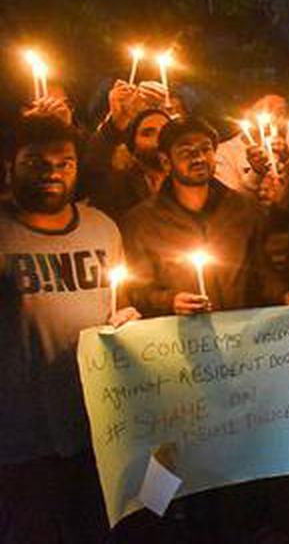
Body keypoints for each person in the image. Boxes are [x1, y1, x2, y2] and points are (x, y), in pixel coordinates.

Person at [1, 116, 139, 542]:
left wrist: (126, 323)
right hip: (20, 432)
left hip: (95, 425)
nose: (53, 174)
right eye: (37, 163)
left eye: (65, 163)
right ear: (10, 165)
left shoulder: (102, 227)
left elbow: (116, 303)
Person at [121, 116, 289, 318]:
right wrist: (171, 301)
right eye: (186, 152)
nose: (199, 158)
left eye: (206, 149)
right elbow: (137, 291)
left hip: (241, 336)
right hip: (182, 339)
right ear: (166, 161)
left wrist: (285, 296)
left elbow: (263, 273)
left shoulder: (244, 209)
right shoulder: (142, 222)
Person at [89, 108, 170, 221]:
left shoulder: (188, 183)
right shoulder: (115, 189)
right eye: (147, 134)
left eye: (165, 132)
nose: (158, 140)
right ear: (133, 144)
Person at [214, 92, 289, 194]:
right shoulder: (224, 153)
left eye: (281, 112)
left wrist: (287, 160)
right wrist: (255, 173)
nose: (274, 117)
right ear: (247, 112)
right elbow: (231, 201)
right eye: (268, 109)